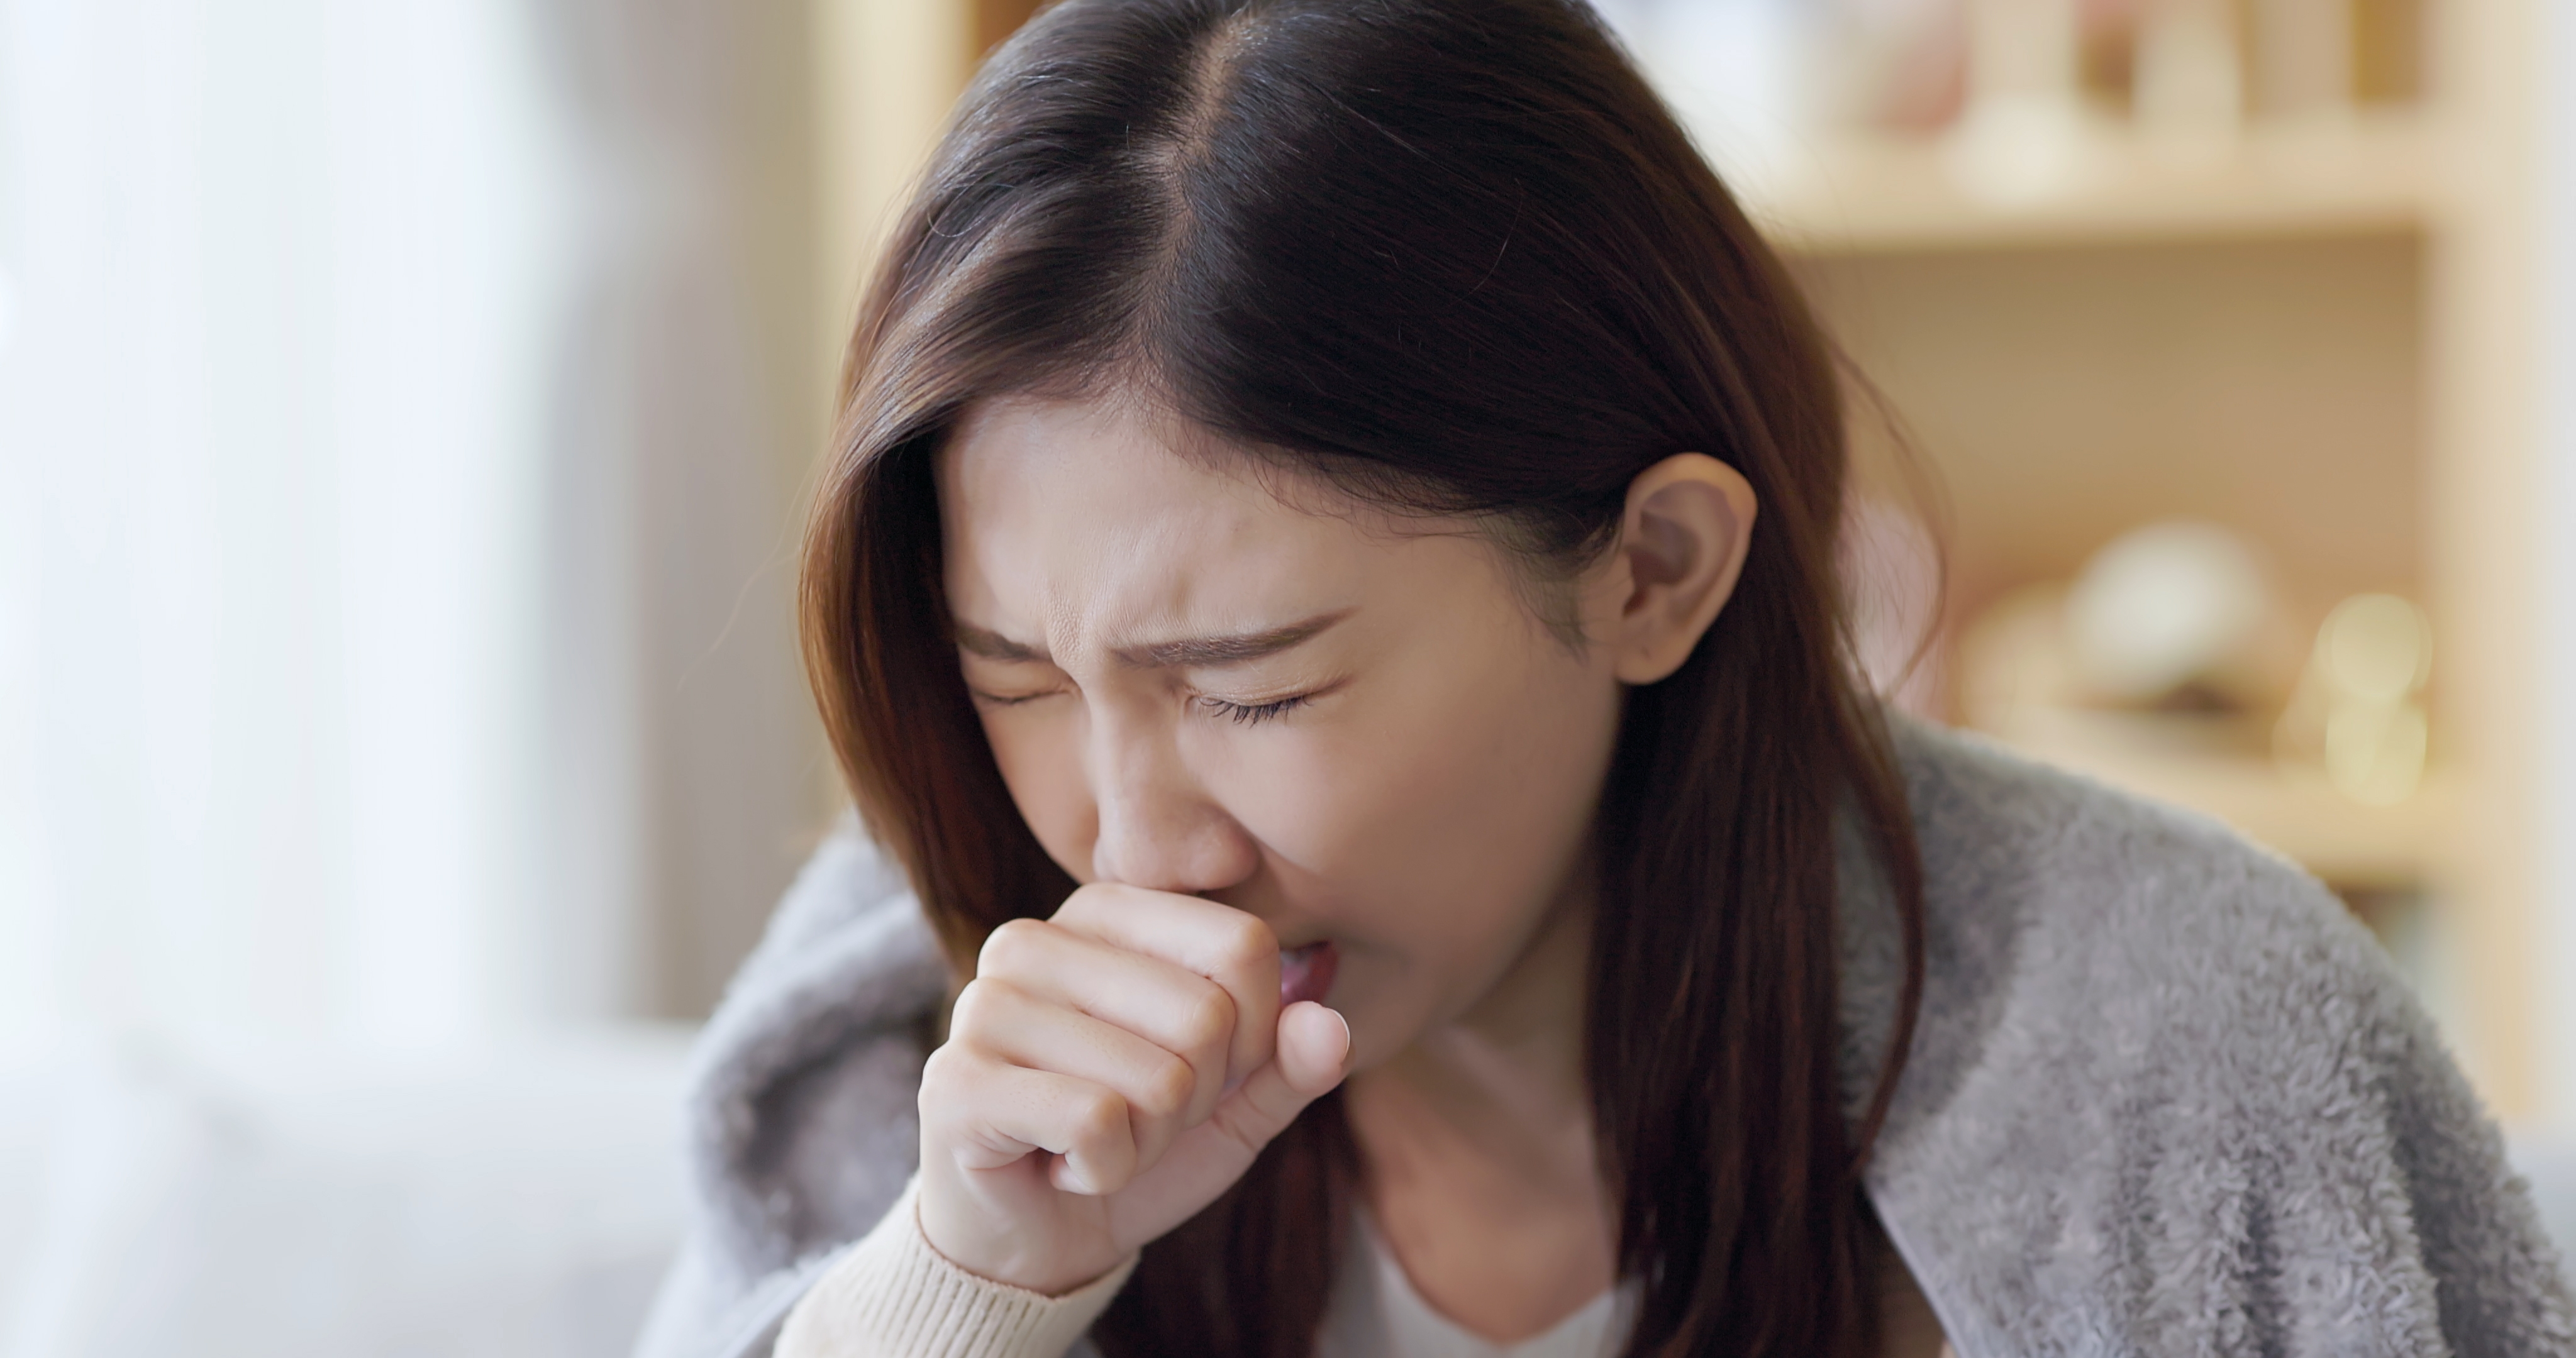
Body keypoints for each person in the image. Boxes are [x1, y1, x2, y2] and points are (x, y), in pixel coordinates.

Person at [632, 1, 2574, 1355]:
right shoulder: (906, 1010)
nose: (1127, 847)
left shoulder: (2180, 1044)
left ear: (1655, 572)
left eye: (1248, 686)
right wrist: (967, 1287)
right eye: (1017, 675)